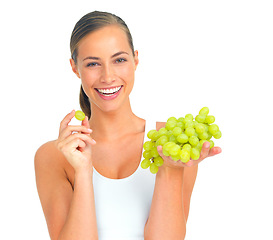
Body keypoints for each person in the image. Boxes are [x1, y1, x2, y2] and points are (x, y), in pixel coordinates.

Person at [34, 10, 222, 240]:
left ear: (135, 59)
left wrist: (170, 170)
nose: (108, 76)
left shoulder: (173, 140)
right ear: (75, 68)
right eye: (93, 64)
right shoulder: (54, 155)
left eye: (119, 60)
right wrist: (83, 172)